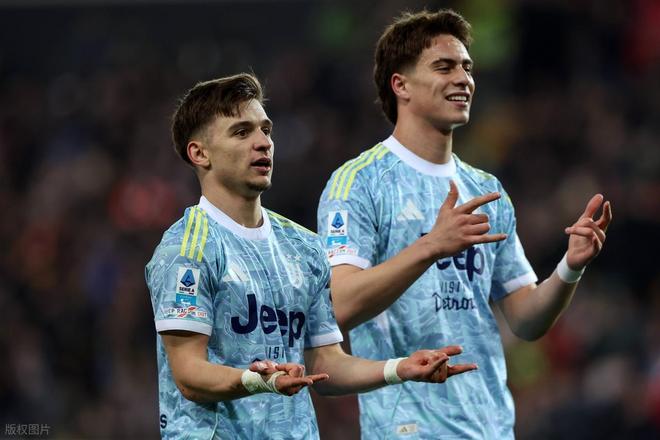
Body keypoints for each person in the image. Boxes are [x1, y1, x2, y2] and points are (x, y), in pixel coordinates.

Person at [317, 9, 612, 439]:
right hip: (408, 428)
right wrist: (430, 246)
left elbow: (526, 320)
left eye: (467, 68)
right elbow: (339, 305)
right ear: (401, 85)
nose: (464, 79)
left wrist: (571, 266)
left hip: (490, 426)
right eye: (444, 67)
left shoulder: (486, 188)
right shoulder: (358, 183)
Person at [145, 73, 477, 439]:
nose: (263, 143)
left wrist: (399, 369)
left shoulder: (304, 246)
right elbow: (189, 374)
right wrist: (257, 381)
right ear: (199, 153)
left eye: (266, 130)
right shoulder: (185, 250)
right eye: (241, 132)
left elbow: (325, 363)